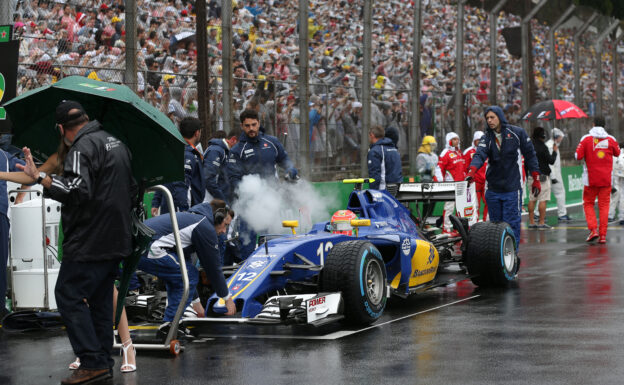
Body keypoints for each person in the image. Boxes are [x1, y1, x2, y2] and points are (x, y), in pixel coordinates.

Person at [20, 100, 136, 385]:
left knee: (68, 294)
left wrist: (42, 178)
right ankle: (101, 361)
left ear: (62, 129)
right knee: (97, 299)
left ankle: (93, 360)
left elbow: (76, 191)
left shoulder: (80, 148)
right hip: (116, 237)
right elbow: (133, 188)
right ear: (85, 119)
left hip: (90, 240)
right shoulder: (115, 142)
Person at [0, 147, 137, 373]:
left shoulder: (100, 151)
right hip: (72, 226)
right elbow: (32, 175)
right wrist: (11, 181)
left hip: (98, 224)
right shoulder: (61, 155)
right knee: (78, 291)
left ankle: (127, 345)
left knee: (107, 287)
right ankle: (86, 351)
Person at [137, 200, 236, 334]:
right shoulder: (204, 226)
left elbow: (185, 266)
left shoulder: (192, 220)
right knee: (189, 275)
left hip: (139, 247)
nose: (224, 231)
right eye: (225, 225)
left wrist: (196, 303)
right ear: (217, 218)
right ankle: (170, 324)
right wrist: (227, 298)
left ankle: (171, 323)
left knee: (182, 275)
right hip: (149, 247)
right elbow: (213, 268)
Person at [466, 106, 541, 251]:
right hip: (493, 189)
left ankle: (511, 257)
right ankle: (498, 258)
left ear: (500, 117)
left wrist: (536, 178)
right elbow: (479, 154)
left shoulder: (517, 133)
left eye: (492, 117)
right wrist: (472, 171)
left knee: (512, 224)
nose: (489, 120)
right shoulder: (486, 137)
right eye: (487, 118)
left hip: (512, 189)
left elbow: (531, 155)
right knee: (495, 227)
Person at [227, 109, 297, 260]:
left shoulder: (272, 142)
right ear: (242, 126)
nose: (251, 128)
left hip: (271, 200)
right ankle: (247, 272)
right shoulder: (237, 150)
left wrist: (290, 169)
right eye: (247, 126)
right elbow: (234, 180)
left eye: (254, 124)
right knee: (247, 245)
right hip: (249, 205)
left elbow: (284, 159)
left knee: (273, 241)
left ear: (259, 123)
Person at [575, 116, 621, 243]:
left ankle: (593, 230)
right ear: (605, 125)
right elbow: (617, 153)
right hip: (606, 179)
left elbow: (577, 156)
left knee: (588, 203)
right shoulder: (611, 139)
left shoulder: (586, 139)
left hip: (590, 179)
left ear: (593, 124)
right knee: (604, 206)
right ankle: (603, 236)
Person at [152, 117, 205, 216]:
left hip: (172, 208)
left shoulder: (175, 150)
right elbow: (181, 183)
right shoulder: (186, 154)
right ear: (197, 133)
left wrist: (156, 201)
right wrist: (184, 210)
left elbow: (164, 177)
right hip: (182, 211)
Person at [0, 150, 24, 321]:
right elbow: (28, 173)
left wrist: (21, 196)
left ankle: (1, 308)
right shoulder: (3, 155)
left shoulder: (3, 156)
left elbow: (27, 173)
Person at [435, 132, 466, 234]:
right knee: (449, 207)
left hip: (461, 185)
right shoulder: (445, 153)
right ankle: (446, 229)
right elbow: (439, 168)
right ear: (449, 141)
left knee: (460, 208)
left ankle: (458, 229)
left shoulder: (459, 152)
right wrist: (441, 182)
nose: (457, 141)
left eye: (457, 139)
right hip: (450, 185)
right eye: (454, 139)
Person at [527, 127, 557, 230]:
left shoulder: (529, 146)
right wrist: (554, 152)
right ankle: (541, 222)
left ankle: (531, 222)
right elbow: (551, 161)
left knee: (532, 198)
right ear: (542, 136)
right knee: (543, 199)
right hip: (543, 175)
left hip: (532, 175)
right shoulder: (543, 147)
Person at [203, 128, 241, 204]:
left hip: (222, 200)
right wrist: (223, 201)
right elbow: (208, 179)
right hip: (212, 201)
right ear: (233, 140)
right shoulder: (216, 150)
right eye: (241, 145)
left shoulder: (228, 152)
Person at [367, 125, 402, 193]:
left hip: (383, 192)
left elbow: (375, 175)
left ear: (372, 135)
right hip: (398, 189)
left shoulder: (375, 151)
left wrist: (373, 193)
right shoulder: (394, 149)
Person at [546, 128, 570, 222]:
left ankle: (537, 214)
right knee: (560, 194)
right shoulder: (551, 146)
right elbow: (550, 162)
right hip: (553, 175)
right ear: (557, 137)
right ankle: (562, 214)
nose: (561, 139)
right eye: (560, 137)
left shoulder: (553, 145)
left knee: (544, 195)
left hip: (553, 174)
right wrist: (553, 177)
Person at [463, 131, 487, 221]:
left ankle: (487, 222)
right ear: (474, 141)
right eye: (478, 140)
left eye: (482, 140)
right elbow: (464, 168)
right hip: (474, 182)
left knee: (488, 202)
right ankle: (475, 223)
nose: (480, 142)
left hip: (486, 181)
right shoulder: (468, 152)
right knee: (476, 205)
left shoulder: (487, 150)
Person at [609, 142, 624, 225]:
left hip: (615, 175)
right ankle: (621, 216)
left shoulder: (616, 154)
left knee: (617, 194)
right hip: (618, 175)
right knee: (621, 195)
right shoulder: (617, 154)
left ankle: (612, 215)